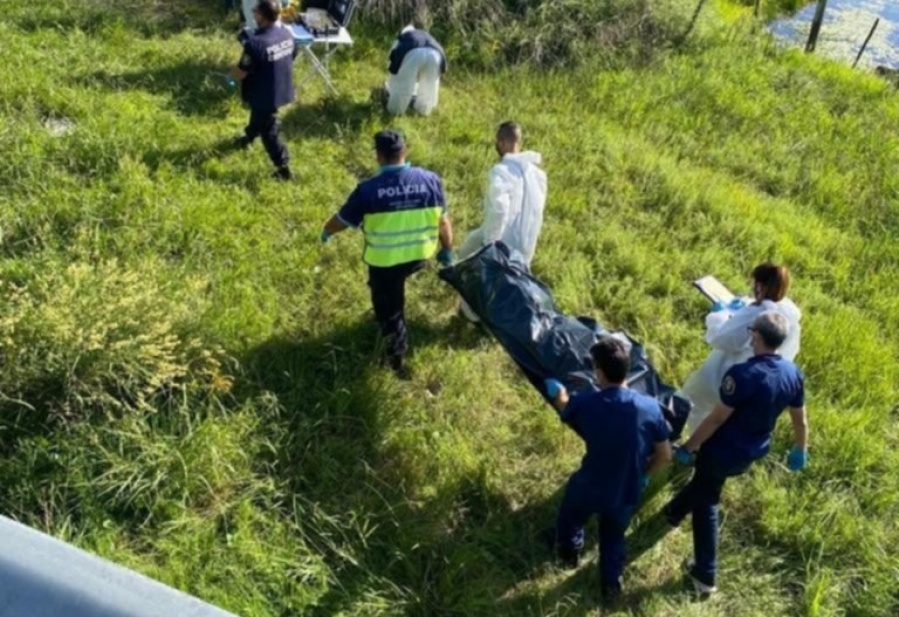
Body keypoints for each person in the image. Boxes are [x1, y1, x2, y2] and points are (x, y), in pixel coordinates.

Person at [662, 311, 810, 596]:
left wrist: (689, 447)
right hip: (753, 450)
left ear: (757, 336)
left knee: (707, 500)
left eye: (752, 331)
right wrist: (800, 448)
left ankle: (704, 574)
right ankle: (673, 512)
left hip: (723, 450)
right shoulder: (793, 373)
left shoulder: (742, 375)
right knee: (706, 482)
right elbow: (800, 420)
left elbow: (717, 418)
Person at [544, 336, 672, 602]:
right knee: (613, 536)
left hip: (589, 483)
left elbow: (565, 406)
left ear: (599, 373)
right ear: (627, 370)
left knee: (570, 517)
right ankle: (611, 585)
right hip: (625, 489)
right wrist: (644, 475)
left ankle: (569, 553)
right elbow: (665, 455)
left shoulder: (588, 403)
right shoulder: (649, 407)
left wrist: (559, 393)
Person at [319, 130, 454, 377]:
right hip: (419, 256)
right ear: (405, 152)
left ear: (379, 156)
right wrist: (447, 249)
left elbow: (342, 220)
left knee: (390, 311)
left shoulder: (367, 190)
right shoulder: (431, 180)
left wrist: (327, 230)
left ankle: (395, 360)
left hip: (385, 264)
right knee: (396, 286)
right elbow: (443, 222)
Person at [681, 263, 801, 434]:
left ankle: (687, 442)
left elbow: (721, 338)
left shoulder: (755, 315)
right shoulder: (789, 315)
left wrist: (719, 315)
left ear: (759, 286)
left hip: (727, 374)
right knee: (728, 420)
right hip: (760, 383)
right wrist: (745, 305)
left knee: (691, 402)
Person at [456, 121, 547, 321]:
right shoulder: (539, 175)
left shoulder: (500, 171)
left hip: (500, 239)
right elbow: (537, 211)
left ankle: (472, 314)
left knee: (472, 265)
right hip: (526, 243)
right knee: (469, 247)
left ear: (503, 142)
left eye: (497, 141)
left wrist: (490, 243)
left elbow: (499, 209)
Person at [230, 0, 296, 181]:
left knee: (269, 130)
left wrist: (231, 75)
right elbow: (292, 55)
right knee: (258, 115)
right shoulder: (287, 34)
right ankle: (249, 136)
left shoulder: (255, 43)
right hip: (283, 86)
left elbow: (241, 72)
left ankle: (283, 167)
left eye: (255, 11)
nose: (253, 14)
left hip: (265, 94)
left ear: (262, 16)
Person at [385, 25, 447, 116]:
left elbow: (392, 58)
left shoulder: (402, 38)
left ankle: (395, 111)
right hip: (435, 54)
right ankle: (424, 110)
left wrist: (393, 74)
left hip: (413, 52)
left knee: (403, 85)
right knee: (430, 85)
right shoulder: (427, 35)